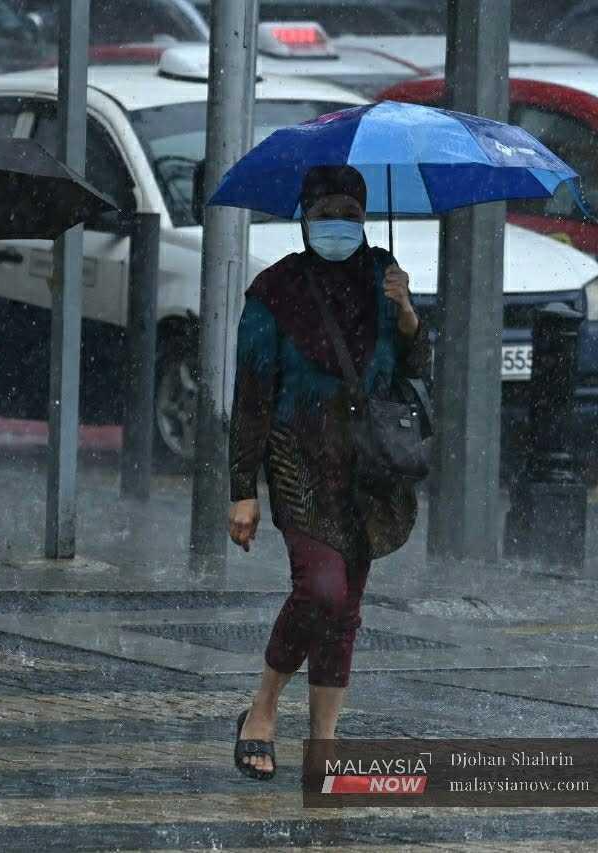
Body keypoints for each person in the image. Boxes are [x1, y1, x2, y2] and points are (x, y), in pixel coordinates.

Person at [227, 166, 430, 781]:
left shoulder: (384, 278)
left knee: (345, 610)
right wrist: (243, 491)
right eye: (325, 212)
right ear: (305, 216)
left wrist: (407, 316)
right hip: (298, 459)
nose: (338, 223)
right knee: (321, 590)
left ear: (365, 218)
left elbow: (412, 373)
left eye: (350, 212)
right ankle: (262, 708)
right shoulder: (275, 290)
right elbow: (252, 396)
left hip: (367, 469)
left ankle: (325, 741)